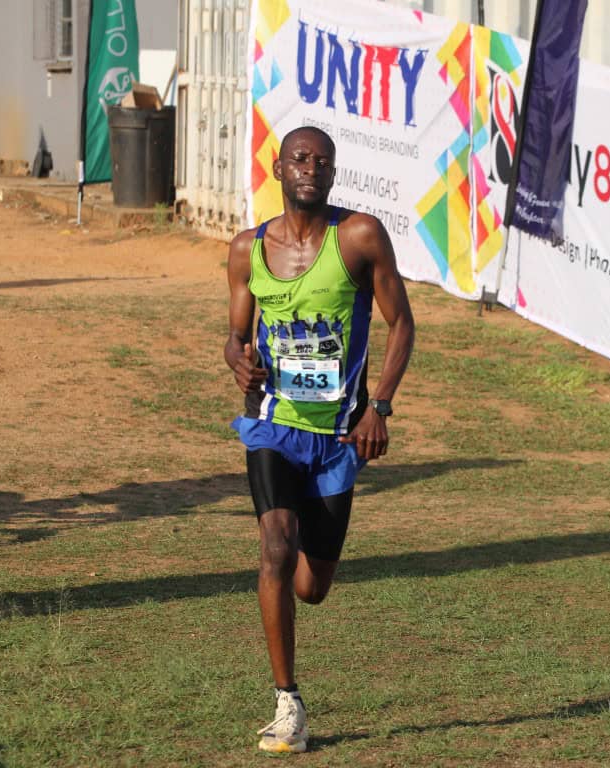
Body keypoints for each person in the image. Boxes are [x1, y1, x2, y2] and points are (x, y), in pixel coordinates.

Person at [224, 125, 416, 753]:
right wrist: (238, 361)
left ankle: (304, 562)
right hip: (273, 425)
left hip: (338, 438)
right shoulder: (247, 248)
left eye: (322, 161)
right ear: (278, 167)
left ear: (333, 173)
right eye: (300, 158)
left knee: (311, 587)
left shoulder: (359, 237)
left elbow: (402, 324)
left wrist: (378, 407)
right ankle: (288, 704)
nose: (311, 168)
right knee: (276, 548)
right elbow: (236, 336)